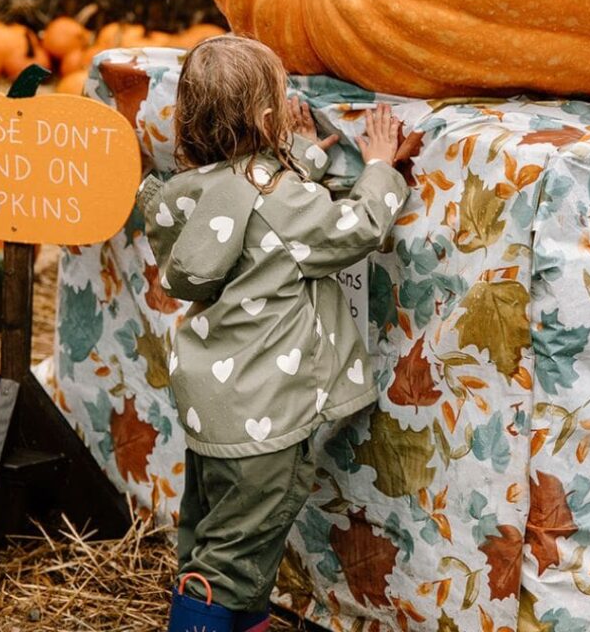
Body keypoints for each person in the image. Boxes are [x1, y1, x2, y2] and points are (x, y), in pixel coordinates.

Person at [137, 35, 410, 632]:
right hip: (268, 423)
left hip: (215, 413)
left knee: (219, 546)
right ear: (269, 120)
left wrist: (301, 159)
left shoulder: (179, 199)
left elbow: (242, 198)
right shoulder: (281, 204)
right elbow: (356, 225)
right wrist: (382, 167)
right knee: (231, 564)